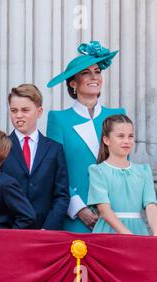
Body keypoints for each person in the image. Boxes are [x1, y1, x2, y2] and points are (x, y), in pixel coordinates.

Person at [46, 40, 126, 233]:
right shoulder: (58, 119)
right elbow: (55, 169)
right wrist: (78, 208)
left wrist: (108, 208)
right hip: (75, 216)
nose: (93, 76)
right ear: (73, 83)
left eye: (97, 71)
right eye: (85, 72)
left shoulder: (117, 115)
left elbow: (124, 168)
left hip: (113, 215)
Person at [1, 84, 69, 230]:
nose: (19, 115)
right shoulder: (0, 148)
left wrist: (48, 229)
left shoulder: (54, 149)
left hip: (45, 231)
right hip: (9, 231)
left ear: (39, 112)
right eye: (14, 110)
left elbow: (61, 196)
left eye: (25, 110)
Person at [87, 115, 157, 235]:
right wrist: (127, 235)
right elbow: (104, 210)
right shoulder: (98, 171)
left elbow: (150, 204)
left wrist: (156, 232)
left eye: (130, 136)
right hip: (109, 231)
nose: (126, 141)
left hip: (138, 231)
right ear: (106, 140)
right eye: (121, 136)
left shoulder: (144, 171)